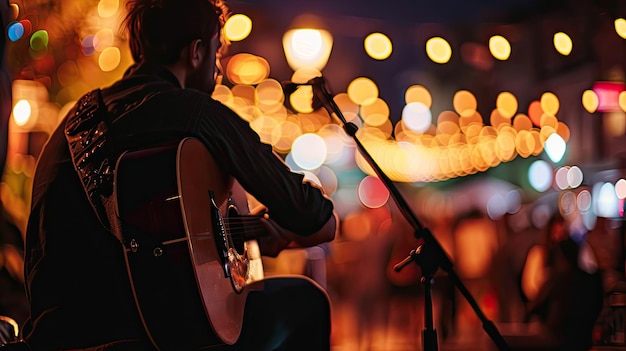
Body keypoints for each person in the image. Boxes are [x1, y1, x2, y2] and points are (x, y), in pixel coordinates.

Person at [20, 0, 338, 350]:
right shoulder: (197, 116)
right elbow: (316, 217)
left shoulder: (73, 120)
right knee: (306, 301)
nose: (218, 71)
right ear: (197, 52)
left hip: (55, 334)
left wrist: (238, 233)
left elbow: (149, 236)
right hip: (143, 334)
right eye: (217, 54)